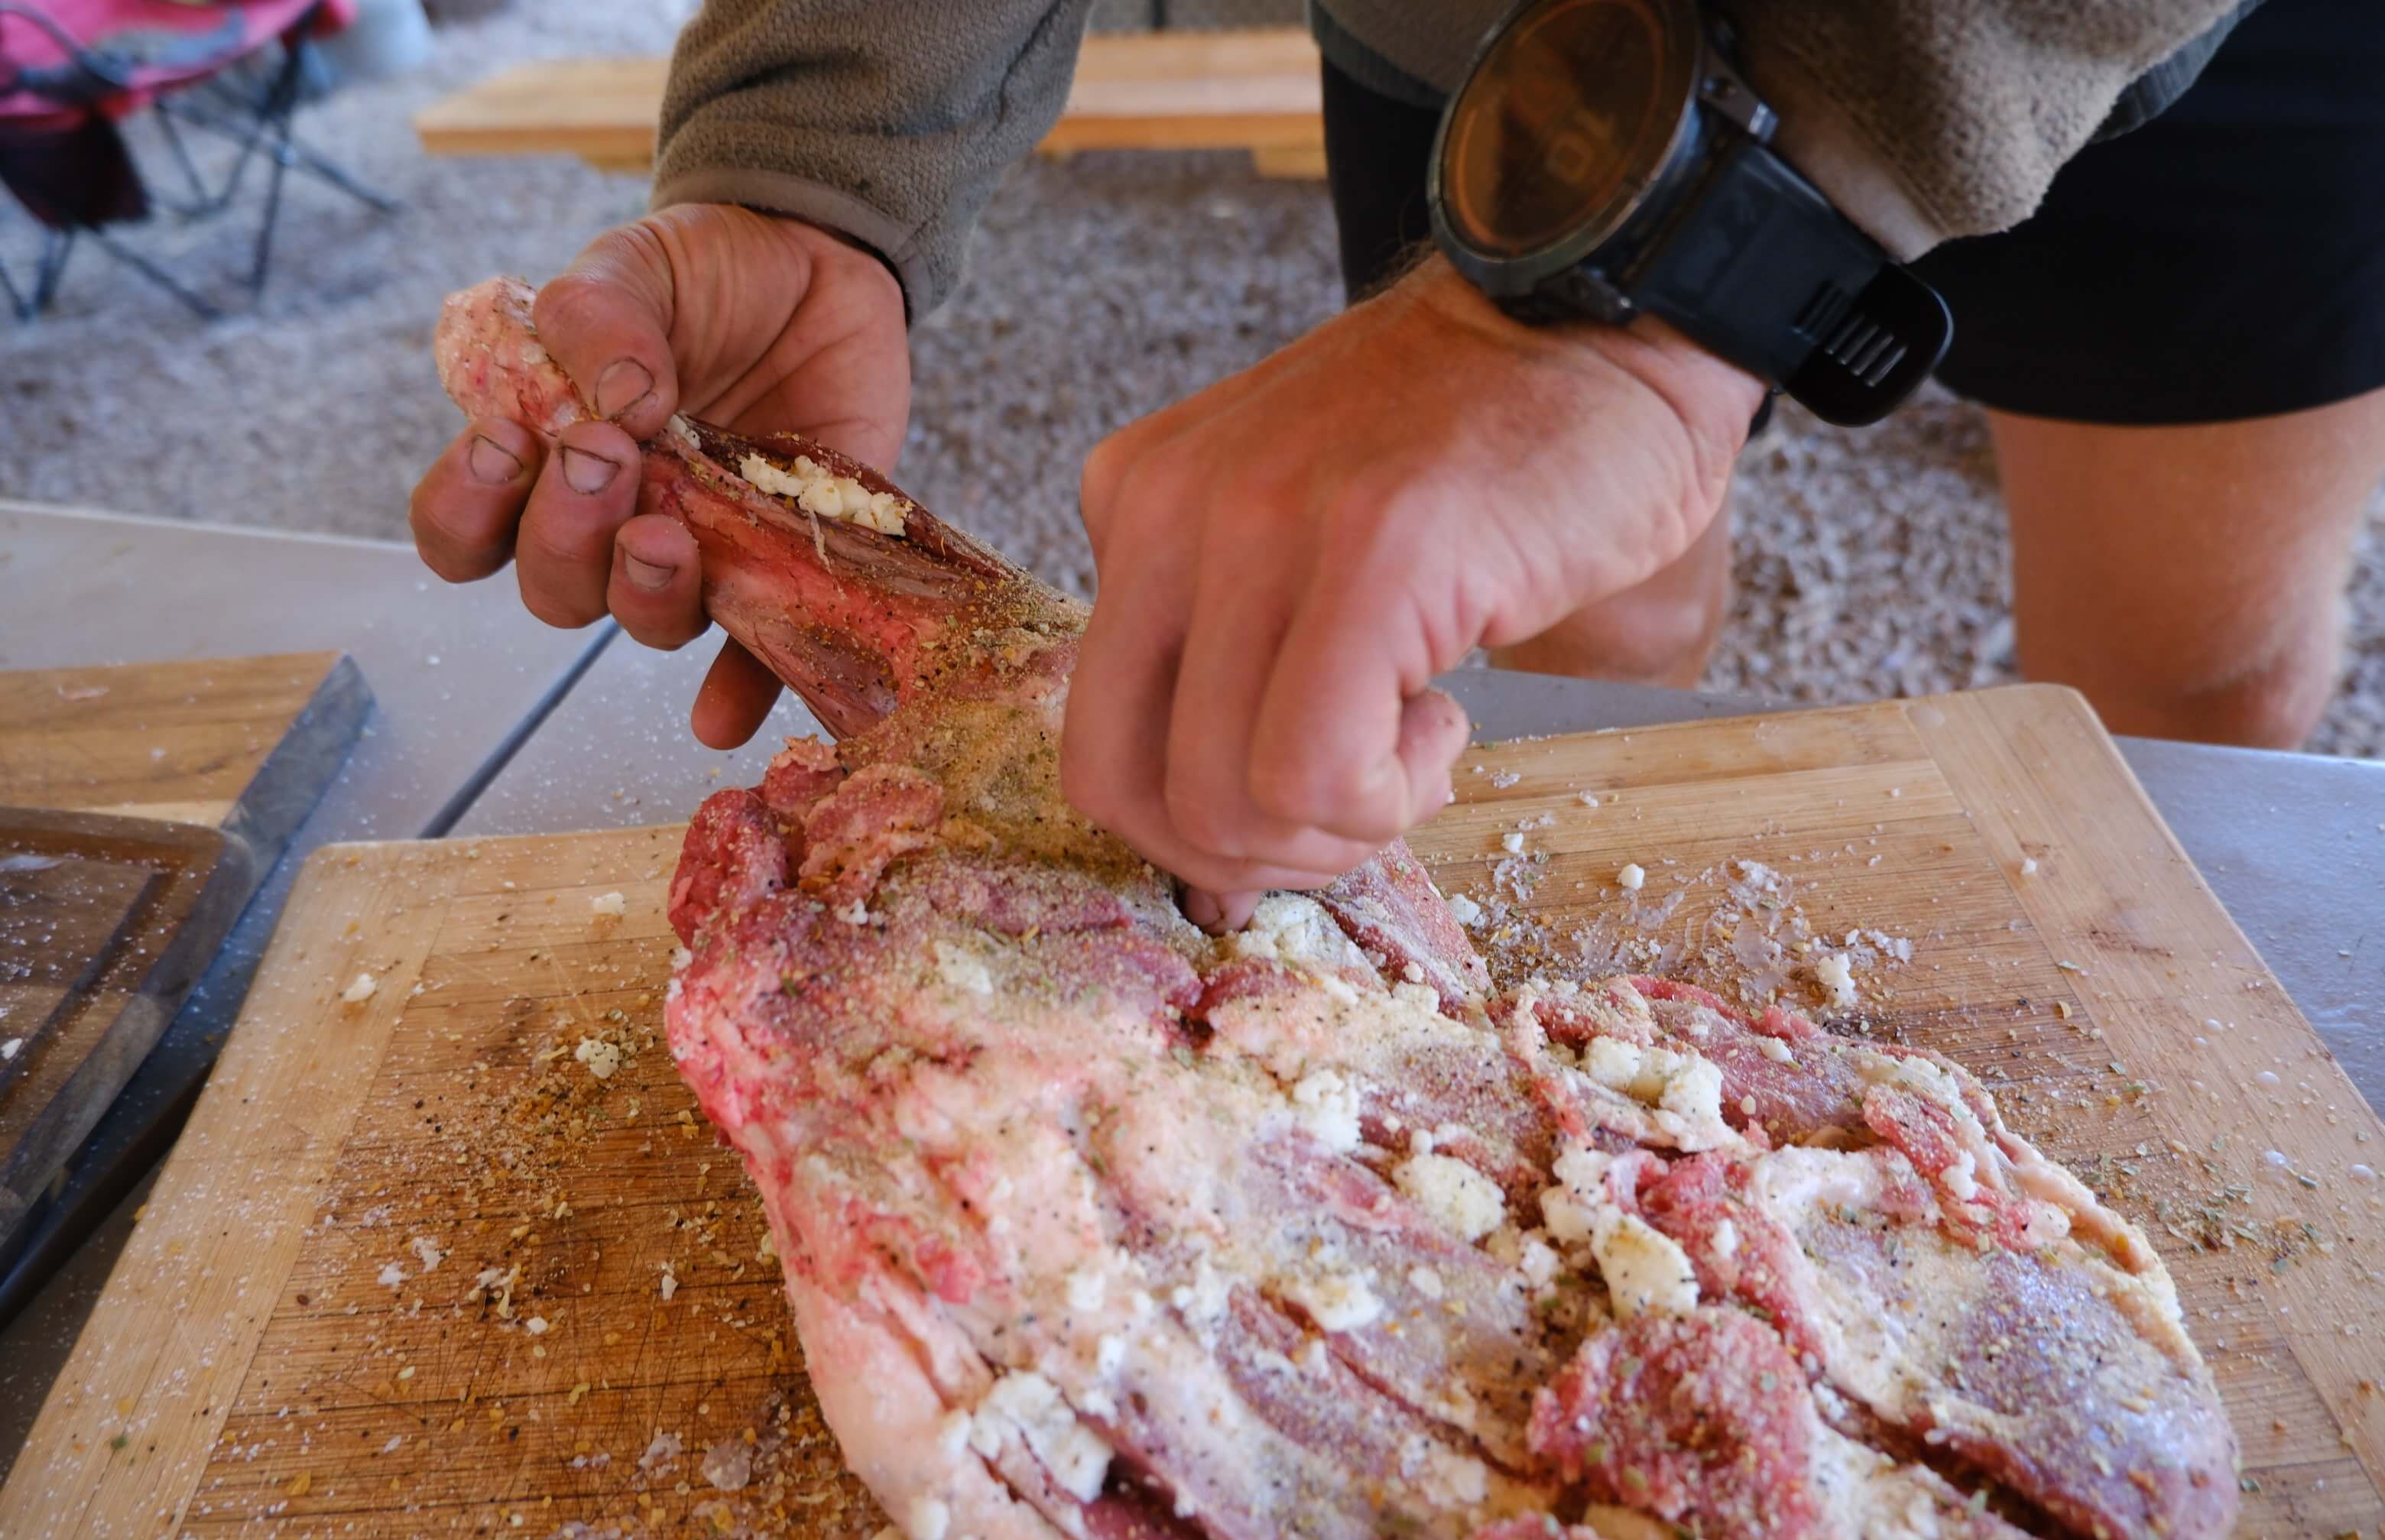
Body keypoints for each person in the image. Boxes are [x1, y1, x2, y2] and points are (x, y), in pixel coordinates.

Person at [409, 0, 2385, 931]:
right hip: (1495, 45)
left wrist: (1678, 259)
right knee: (1549, 626)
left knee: (2187, 689)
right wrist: (821, 153)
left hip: (2149, 35)